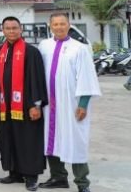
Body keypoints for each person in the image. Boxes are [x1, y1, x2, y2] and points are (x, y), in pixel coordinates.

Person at [38, 13, 101, 192]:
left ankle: (82, 183)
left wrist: (83, 104)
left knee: (75, 141)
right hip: (49, 104)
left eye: (62, 24)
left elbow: (87, 77)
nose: (59, 27)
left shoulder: (79, 48)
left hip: (71, 104)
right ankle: (58, 177)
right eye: (55, 24)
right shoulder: (44, 46)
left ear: (69, 25)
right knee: (51, 139)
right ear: (50, 26)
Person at [0, 17, 48, 191]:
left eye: (14, 28)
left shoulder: (30, 51)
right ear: (2, 30)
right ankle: (14, 173)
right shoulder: (0, 51)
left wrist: (35, 104)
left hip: (26, 106)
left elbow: (37, 79)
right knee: (10, 138)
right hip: (7, 106)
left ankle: (31, 176)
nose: (11, 31)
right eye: (8, 28)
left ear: (21, 29)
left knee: (28, 141)